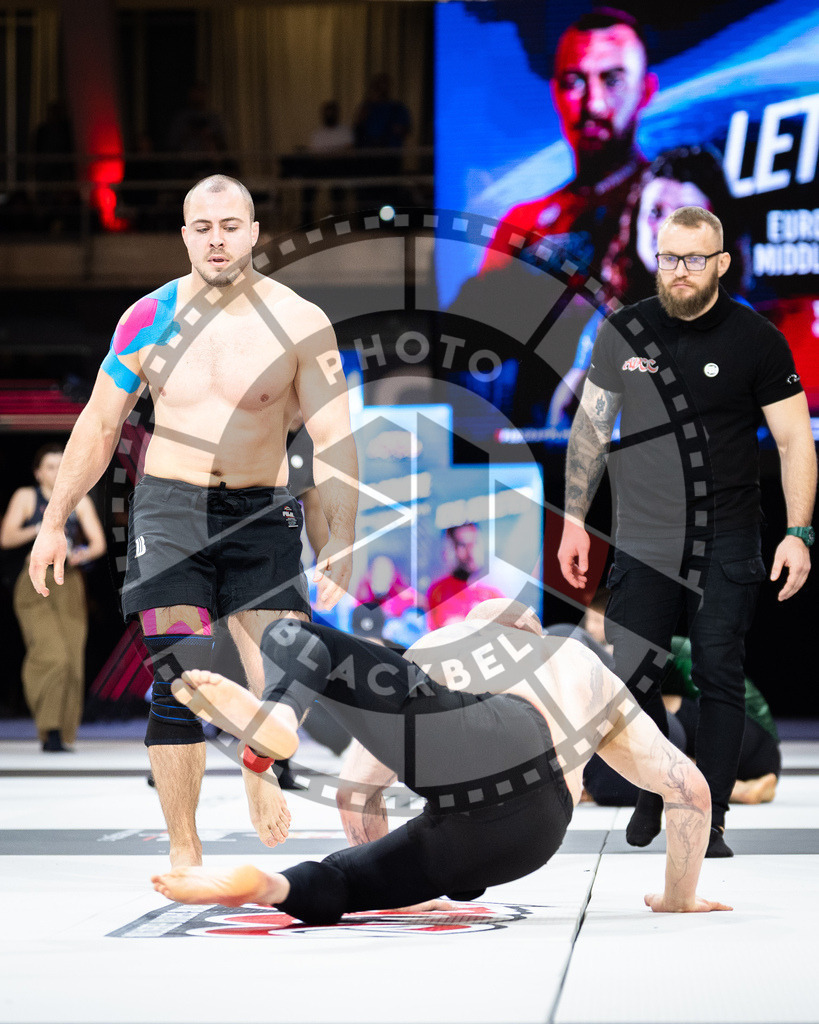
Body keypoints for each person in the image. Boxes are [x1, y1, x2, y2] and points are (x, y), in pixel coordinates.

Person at [29, 173, 359, 866]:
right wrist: (54, 519)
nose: (216, 240)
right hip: (170, 509)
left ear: (253, 232)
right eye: (203, 228)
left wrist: (343, 540)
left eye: (230, 226)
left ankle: (259, 763)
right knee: (177, 679)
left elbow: (334, 440)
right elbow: (99, 422)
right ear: (184, 236)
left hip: (261, 512)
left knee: (281, 675)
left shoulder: (298, 321)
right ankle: (185, 849)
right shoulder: (148, 317)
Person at [152, 599, 731, 919]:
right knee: (345, 883)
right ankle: (269, 887)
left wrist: (406, 884)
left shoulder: (440, 645)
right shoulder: (580, 665)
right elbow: (690, 788)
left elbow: (357, 793)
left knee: (288, 634)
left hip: (489, 748)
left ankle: (280, 718)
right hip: (534, 836)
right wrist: (678, 898)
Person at [558, 205, 816, 857]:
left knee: (718, 671)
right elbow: (589, 430)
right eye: (669, 257)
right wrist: (572, 521)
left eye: (694, 259)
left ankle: (711, 818)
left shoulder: (756, 339)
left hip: (727, 532)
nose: (679, 270)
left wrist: (798, 532)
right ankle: (654, 789)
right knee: (633, 674)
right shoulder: (625, 329)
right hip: (642, 535)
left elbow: (794, 441)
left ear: (720, 263)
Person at [546, 145, 748, 429]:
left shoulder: (739, 325)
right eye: (655, 212)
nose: (668, 229)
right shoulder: (612, 318)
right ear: (634, 223)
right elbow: (566, 411)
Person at [480, 9, 657, 277]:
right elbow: (482, 302)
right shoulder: (522, 224)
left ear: (646, 91)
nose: (594, 104)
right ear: (556, 94)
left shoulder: (672, 203)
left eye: (613, 80)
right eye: (575, 82)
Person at [1, 443, 106, 751]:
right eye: (50, 466)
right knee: (51, 654)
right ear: (38, 472)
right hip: (35, 579)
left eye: (61, 465)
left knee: (72, 658)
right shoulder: (26, 497)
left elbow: (98, 543)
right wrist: (41, 528)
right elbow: (6, 537)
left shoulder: (79, 500)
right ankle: (48, 726)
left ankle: (61, 732)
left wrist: (81, 554)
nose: (56, 471)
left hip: (68, 580)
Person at [426, 523, 504, 629]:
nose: (471, 551)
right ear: (448, 550)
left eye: (475, 543)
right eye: (463, 545)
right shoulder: (438, 593)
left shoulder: (494, 596)